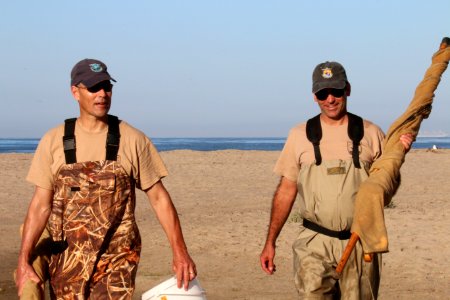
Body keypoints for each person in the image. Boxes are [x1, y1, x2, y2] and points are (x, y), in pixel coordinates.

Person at [15, 58, 197, 299]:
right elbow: (40, 206)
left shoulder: (132, 139)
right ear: (75, 92)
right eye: (93, 88)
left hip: (116, 263)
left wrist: (180, 252)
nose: (102, 94)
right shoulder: (54, 140)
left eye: (107, 87)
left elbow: (159, 199)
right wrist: (23, 259)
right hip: (67, 265)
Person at [260, 61, 413, 299]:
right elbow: (286, 190)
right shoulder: (299, 135)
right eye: (323, 93)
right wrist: (270, 242)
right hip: (314, 243)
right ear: (314, 96)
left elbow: (386, 189)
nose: (330, 99)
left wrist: (396, 157)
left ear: (348, 90)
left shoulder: (371, 132)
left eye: (336, 91)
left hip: (361, 242)